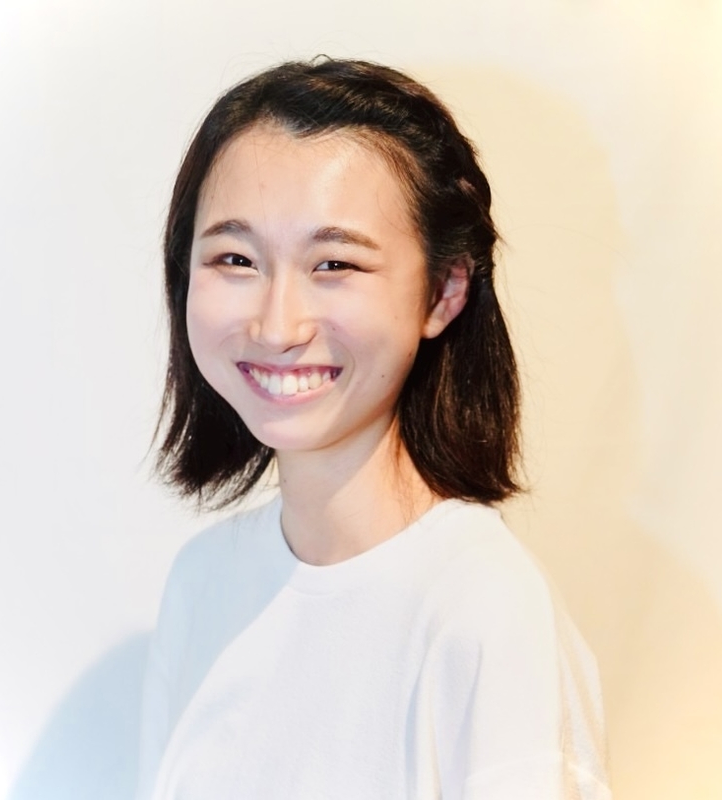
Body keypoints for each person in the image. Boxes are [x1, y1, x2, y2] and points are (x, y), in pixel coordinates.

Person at [136, 58, 611, 800]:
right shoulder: (202, 583)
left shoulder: (486, 607)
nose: (277, 325)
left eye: (334, 264)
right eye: (236, 259)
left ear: (443, 292)